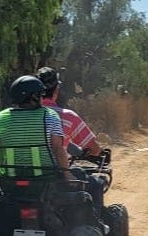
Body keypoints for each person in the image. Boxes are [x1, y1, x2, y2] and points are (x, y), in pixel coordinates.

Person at [36, 66, 106, 216]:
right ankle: (95, 224)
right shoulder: (67, 116)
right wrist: (96, 151)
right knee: (96, 183)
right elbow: (93, 148)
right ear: (56, 90)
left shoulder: (20, 117)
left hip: (22, 176)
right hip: (56, 176)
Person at [0, 75, 74, 183]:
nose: (42, 98)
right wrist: (68, 175)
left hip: (9, 181)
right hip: (44, 179)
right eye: (41, 95)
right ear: (34, 97)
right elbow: (58, 149)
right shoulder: (49, 116)